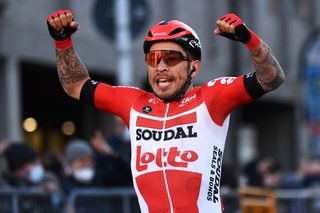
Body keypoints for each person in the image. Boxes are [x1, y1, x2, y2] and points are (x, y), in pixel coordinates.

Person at [47, 10, 285, 213]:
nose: (160, 67)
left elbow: (271, 78)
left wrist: (249, 39)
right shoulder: (134, 102)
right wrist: (62, 42)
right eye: (153, 58)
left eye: (171, 58)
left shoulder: (211, 98)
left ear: (194, 67)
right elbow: (76, 85)